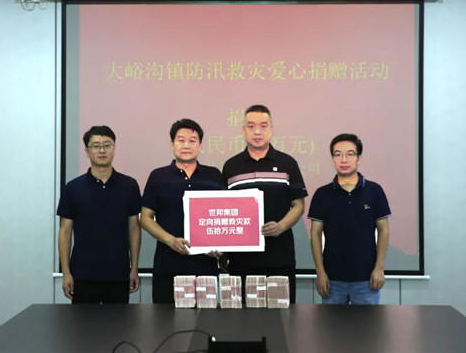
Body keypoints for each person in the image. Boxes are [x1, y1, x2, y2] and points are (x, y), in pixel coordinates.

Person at [221, 105, 307, 303]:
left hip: (279, 256)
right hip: (241, 259)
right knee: (242, 316)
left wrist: (281, 226)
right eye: (251, 126)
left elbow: (298, 205)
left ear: (272, 129)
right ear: (243, 131)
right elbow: (224, 210)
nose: (257, 132)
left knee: (283, 317)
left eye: (263, 126)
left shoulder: (288, 163)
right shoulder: (231, 166)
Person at [140, 118, 226, 303]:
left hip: (205, 267)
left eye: (192, 140)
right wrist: (170, 240)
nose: (186, 145)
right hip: (168, 265)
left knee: (206, 318)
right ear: (172, 145)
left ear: (200, 146)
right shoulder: (158, 176)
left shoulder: (214, 175)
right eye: (181, 140)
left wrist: (219, 245)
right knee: (165, 318)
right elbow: (145, 218)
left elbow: (224, 215)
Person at [57, 125, 142, 304]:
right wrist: (66, 272)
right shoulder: (73, 188)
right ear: (87, 151)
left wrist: (134, 267)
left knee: (119, 322)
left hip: (118, 273)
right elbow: (65, 231)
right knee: (82, 322)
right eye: (96, 146)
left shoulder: (129, 185)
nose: (102, 150)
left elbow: (134, 228)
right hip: (82, 274)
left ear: (114, 148)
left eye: (107, 145)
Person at [308, 133, 390, 305]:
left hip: (367, 278)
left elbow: (384, 230)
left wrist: (379, 268)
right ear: (332, 159)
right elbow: (315, 234)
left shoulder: (374, 191)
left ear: (359, 158)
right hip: (332, 280)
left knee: (368, 323)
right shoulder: (322, 194)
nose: (343, 160)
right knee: (330, 323)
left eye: (350, 154)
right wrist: (320, 272)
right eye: (337, 154)